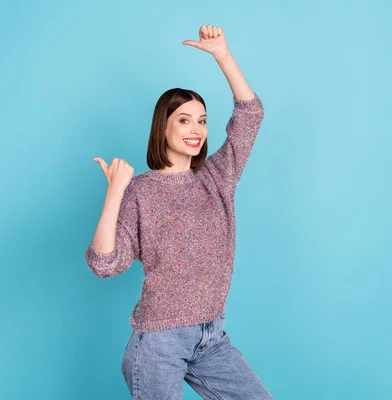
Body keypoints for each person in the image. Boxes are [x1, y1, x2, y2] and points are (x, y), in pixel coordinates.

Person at [85, 25, 274, 400]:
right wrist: (114, 194)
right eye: (184, 120)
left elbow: (250, 115)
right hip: (158, 344)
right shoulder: (141, 190)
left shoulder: (217, 178)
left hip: (212, 339)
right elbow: (105, 263)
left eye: (202, 120)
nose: (196, 129)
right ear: (163, 127)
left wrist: (222, 55)